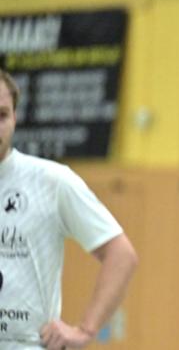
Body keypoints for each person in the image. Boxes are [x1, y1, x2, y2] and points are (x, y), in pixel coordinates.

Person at [0, 69, 138, 350]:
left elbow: (121, 255)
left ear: (15, 118)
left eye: (1, 115)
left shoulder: (51, 181)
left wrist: (86, 330)